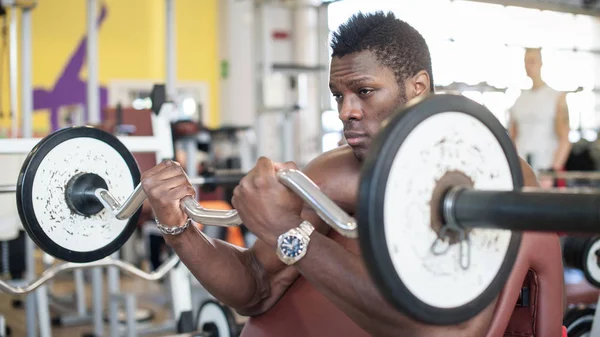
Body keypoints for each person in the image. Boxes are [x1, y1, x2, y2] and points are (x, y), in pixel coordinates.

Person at [141, 12, 542, 337]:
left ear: (418, 87)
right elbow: (256, 290)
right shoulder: (332, 174)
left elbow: (444, 333)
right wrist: (178, 226)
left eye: (364, 92)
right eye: (338, 95)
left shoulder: (496, 177)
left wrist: (288, 233)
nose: (345, 111)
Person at [508, 47, 571, 174]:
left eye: (532, 61)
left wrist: (552, 170)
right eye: (526, 62)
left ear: (541, 64)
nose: (528, 66)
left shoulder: (556, 97)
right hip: (522, 169)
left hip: (545, 168)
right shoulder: (519, 100)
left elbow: (565, 139)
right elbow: (513, 137)